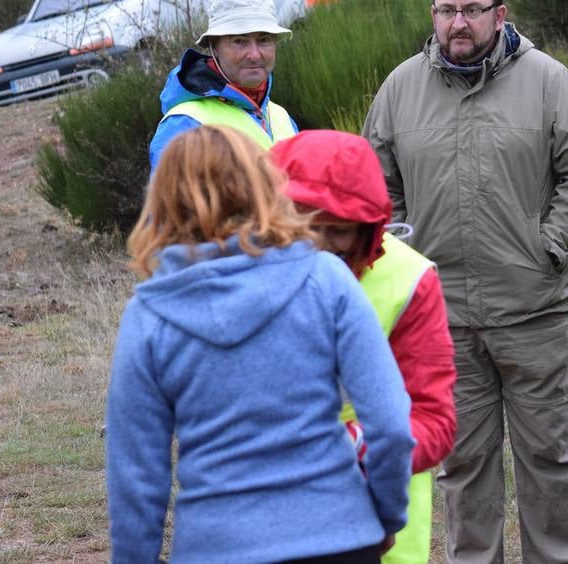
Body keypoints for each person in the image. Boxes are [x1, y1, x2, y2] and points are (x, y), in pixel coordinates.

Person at [363, 0, 568, 564]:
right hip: (440, 317)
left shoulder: (547, 80)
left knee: (551, 456)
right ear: (434, 12)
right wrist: (402, 263)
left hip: (533, 309)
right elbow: (376, 186)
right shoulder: (400, 89)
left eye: (472, 11)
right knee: (461, 463)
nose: (458, 24)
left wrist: (548, 249)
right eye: (447, 10)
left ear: (499, 14)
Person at [106, 125, 415, 563]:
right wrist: (385, 517)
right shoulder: (324, 279)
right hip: (340, 536)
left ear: (163, 202)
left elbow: (136, 479)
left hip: (216, 547)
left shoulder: (150, 316)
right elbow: (391, 425)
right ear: (264, 184)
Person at [271, 130, 457, 564]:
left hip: (379, 519)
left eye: (335, 232)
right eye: (302, 227)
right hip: (269, 511)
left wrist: (353, 448)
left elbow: (433, 417)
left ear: (368, 228)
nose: (315, 246)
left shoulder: (409, 279)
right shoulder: (247, 266)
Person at [149, 0, 297, 169]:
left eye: (264, 39)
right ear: (214, 47)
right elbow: (173, 197)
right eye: (239, 41)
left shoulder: (280, 116)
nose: (254, 54)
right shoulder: (185, 124)